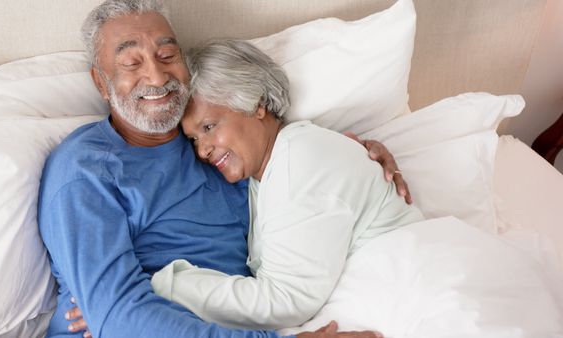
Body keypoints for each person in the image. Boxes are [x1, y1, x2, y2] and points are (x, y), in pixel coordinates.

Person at [39, 0, 408, 337]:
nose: (156, 76)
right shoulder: (85, 170)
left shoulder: (216, 147)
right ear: (100, 83)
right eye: (131, 64)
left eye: (167, 54)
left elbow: (290, 161)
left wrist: (359, 155)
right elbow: (119, 317)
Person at [145, 39, 424, 330]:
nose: (202, 150)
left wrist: (161, 285)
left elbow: (283, 302)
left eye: (209, 127)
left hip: (406, 292)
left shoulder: (298, 162)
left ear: (256, 104)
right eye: (193, 139)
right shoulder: (267, 168)